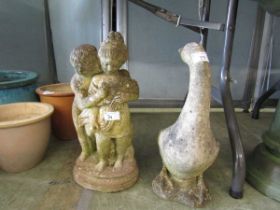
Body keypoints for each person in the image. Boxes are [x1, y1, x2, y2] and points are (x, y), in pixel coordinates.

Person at [70, 44, 102, 161]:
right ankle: (86, 150)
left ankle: (102, 151)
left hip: (97, 105)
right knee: (80, 130)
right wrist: (79, 92)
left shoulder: (99, 75)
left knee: (97, 129)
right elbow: (79, 97)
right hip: (79, 105)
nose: (99, 63)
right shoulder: (77, 79)